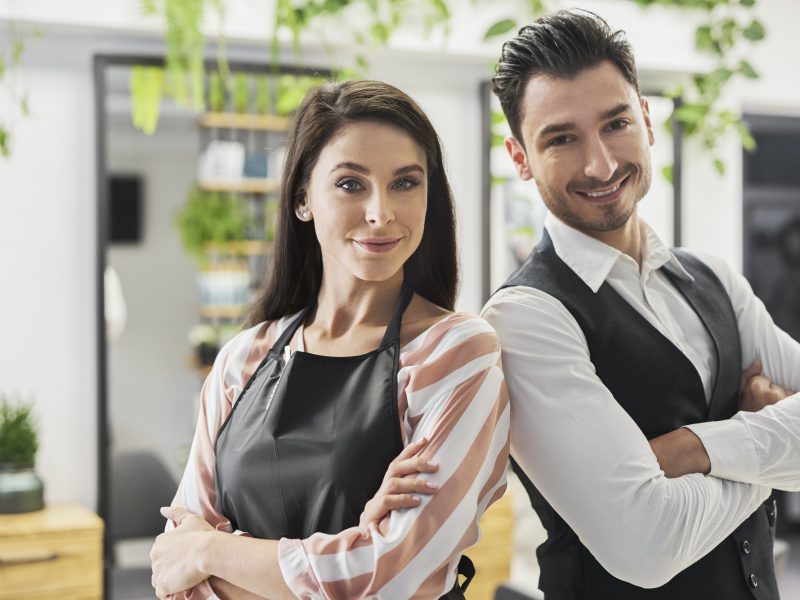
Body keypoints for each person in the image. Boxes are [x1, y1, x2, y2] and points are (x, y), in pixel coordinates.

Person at [478, 9, 800, 600]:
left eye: (615, 124)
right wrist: (767, 440)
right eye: (561, 138)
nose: (600, 163)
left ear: (647, 120)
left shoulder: (715, 280)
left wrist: (698, 448)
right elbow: (647, 545)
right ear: (520, 157)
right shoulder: (524, 318)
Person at [148, 80, 510, 599]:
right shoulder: (242, 361)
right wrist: (347, 553)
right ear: (302, 199)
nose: (381, 212)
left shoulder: (456, 354)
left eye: (406, 183)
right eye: (350, 184)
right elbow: (173, 575)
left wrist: (212, 553)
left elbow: (393, 579)